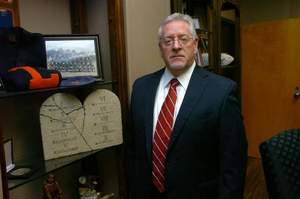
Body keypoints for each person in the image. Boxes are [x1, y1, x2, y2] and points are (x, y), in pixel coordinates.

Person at [127, 13, 248, 199]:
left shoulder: (221, 91)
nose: (176, 46)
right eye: (168, 41)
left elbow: (233, 163)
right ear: (161, 48)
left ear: (195, 44)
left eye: (183, 39)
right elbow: (133, 151)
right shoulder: (141, 88)